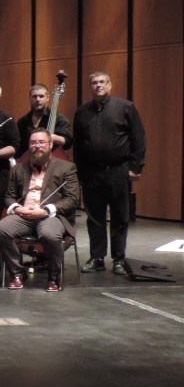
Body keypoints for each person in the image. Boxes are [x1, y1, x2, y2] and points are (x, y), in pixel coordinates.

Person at [73, 71, 146, 275]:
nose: (98, 86)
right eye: (94, 83)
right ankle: (97, 258)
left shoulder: (125, 107)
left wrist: (136, 166)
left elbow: (138, 138)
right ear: (91, 87)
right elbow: (78, 145)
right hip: (92, 172)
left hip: (118, 170)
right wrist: (80, 172)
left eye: (102, 82)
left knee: (120, 216)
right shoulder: (82, 112)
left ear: (110, 85)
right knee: (94, 217)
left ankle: (118, 259)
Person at [0, 129, 80, 292]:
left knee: (49, 234)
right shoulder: (18, 169)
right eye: (33, 143)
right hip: (24, 215)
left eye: (41, 142)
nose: (37, 146)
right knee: (0, 229)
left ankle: (53, 276)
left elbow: (72, 199)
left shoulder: (67, 167)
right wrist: (18, 209)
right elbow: (10, 196)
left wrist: (46, 210)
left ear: (50, 144)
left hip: (52, 216)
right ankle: (18, 273)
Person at [16, 83, 73, 158]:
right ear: (30, 98)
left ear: (47, 98)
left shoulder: (59, 119)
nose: (38, 99)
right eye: (34, 96)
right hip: (29, 162)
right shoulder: (23, 121)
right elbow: (19, 145)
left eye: (41, 96)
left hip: (53, 161)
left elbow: (68, 142)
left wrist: (53, 138)